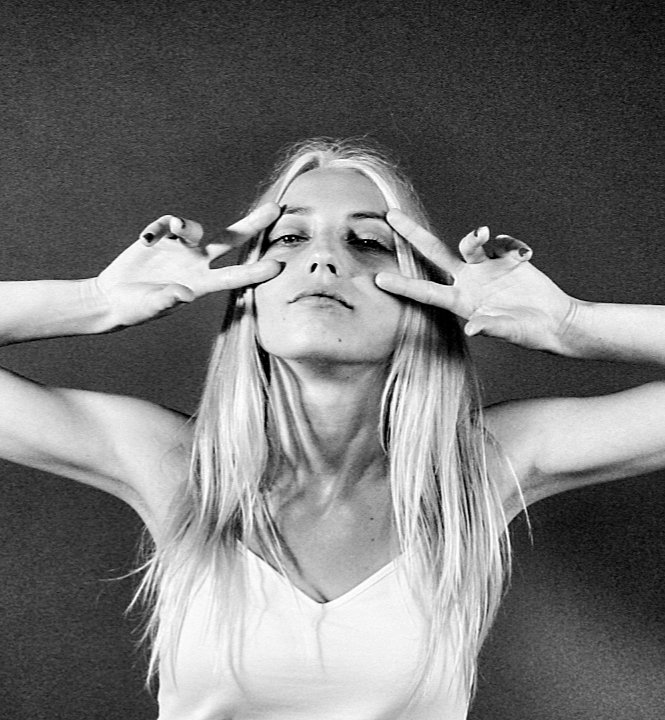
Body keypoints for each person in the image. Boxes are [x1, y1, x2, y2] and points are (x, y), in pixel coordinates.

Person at [1, 138, 664, 719]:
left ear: (421, 296)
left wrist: (570, 324)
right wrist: (94, 301)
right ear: (246, 288)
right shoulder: (173, 465)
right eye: (289, 238)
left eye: (367, 242)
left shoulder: (483, 468)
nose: (322, 259)